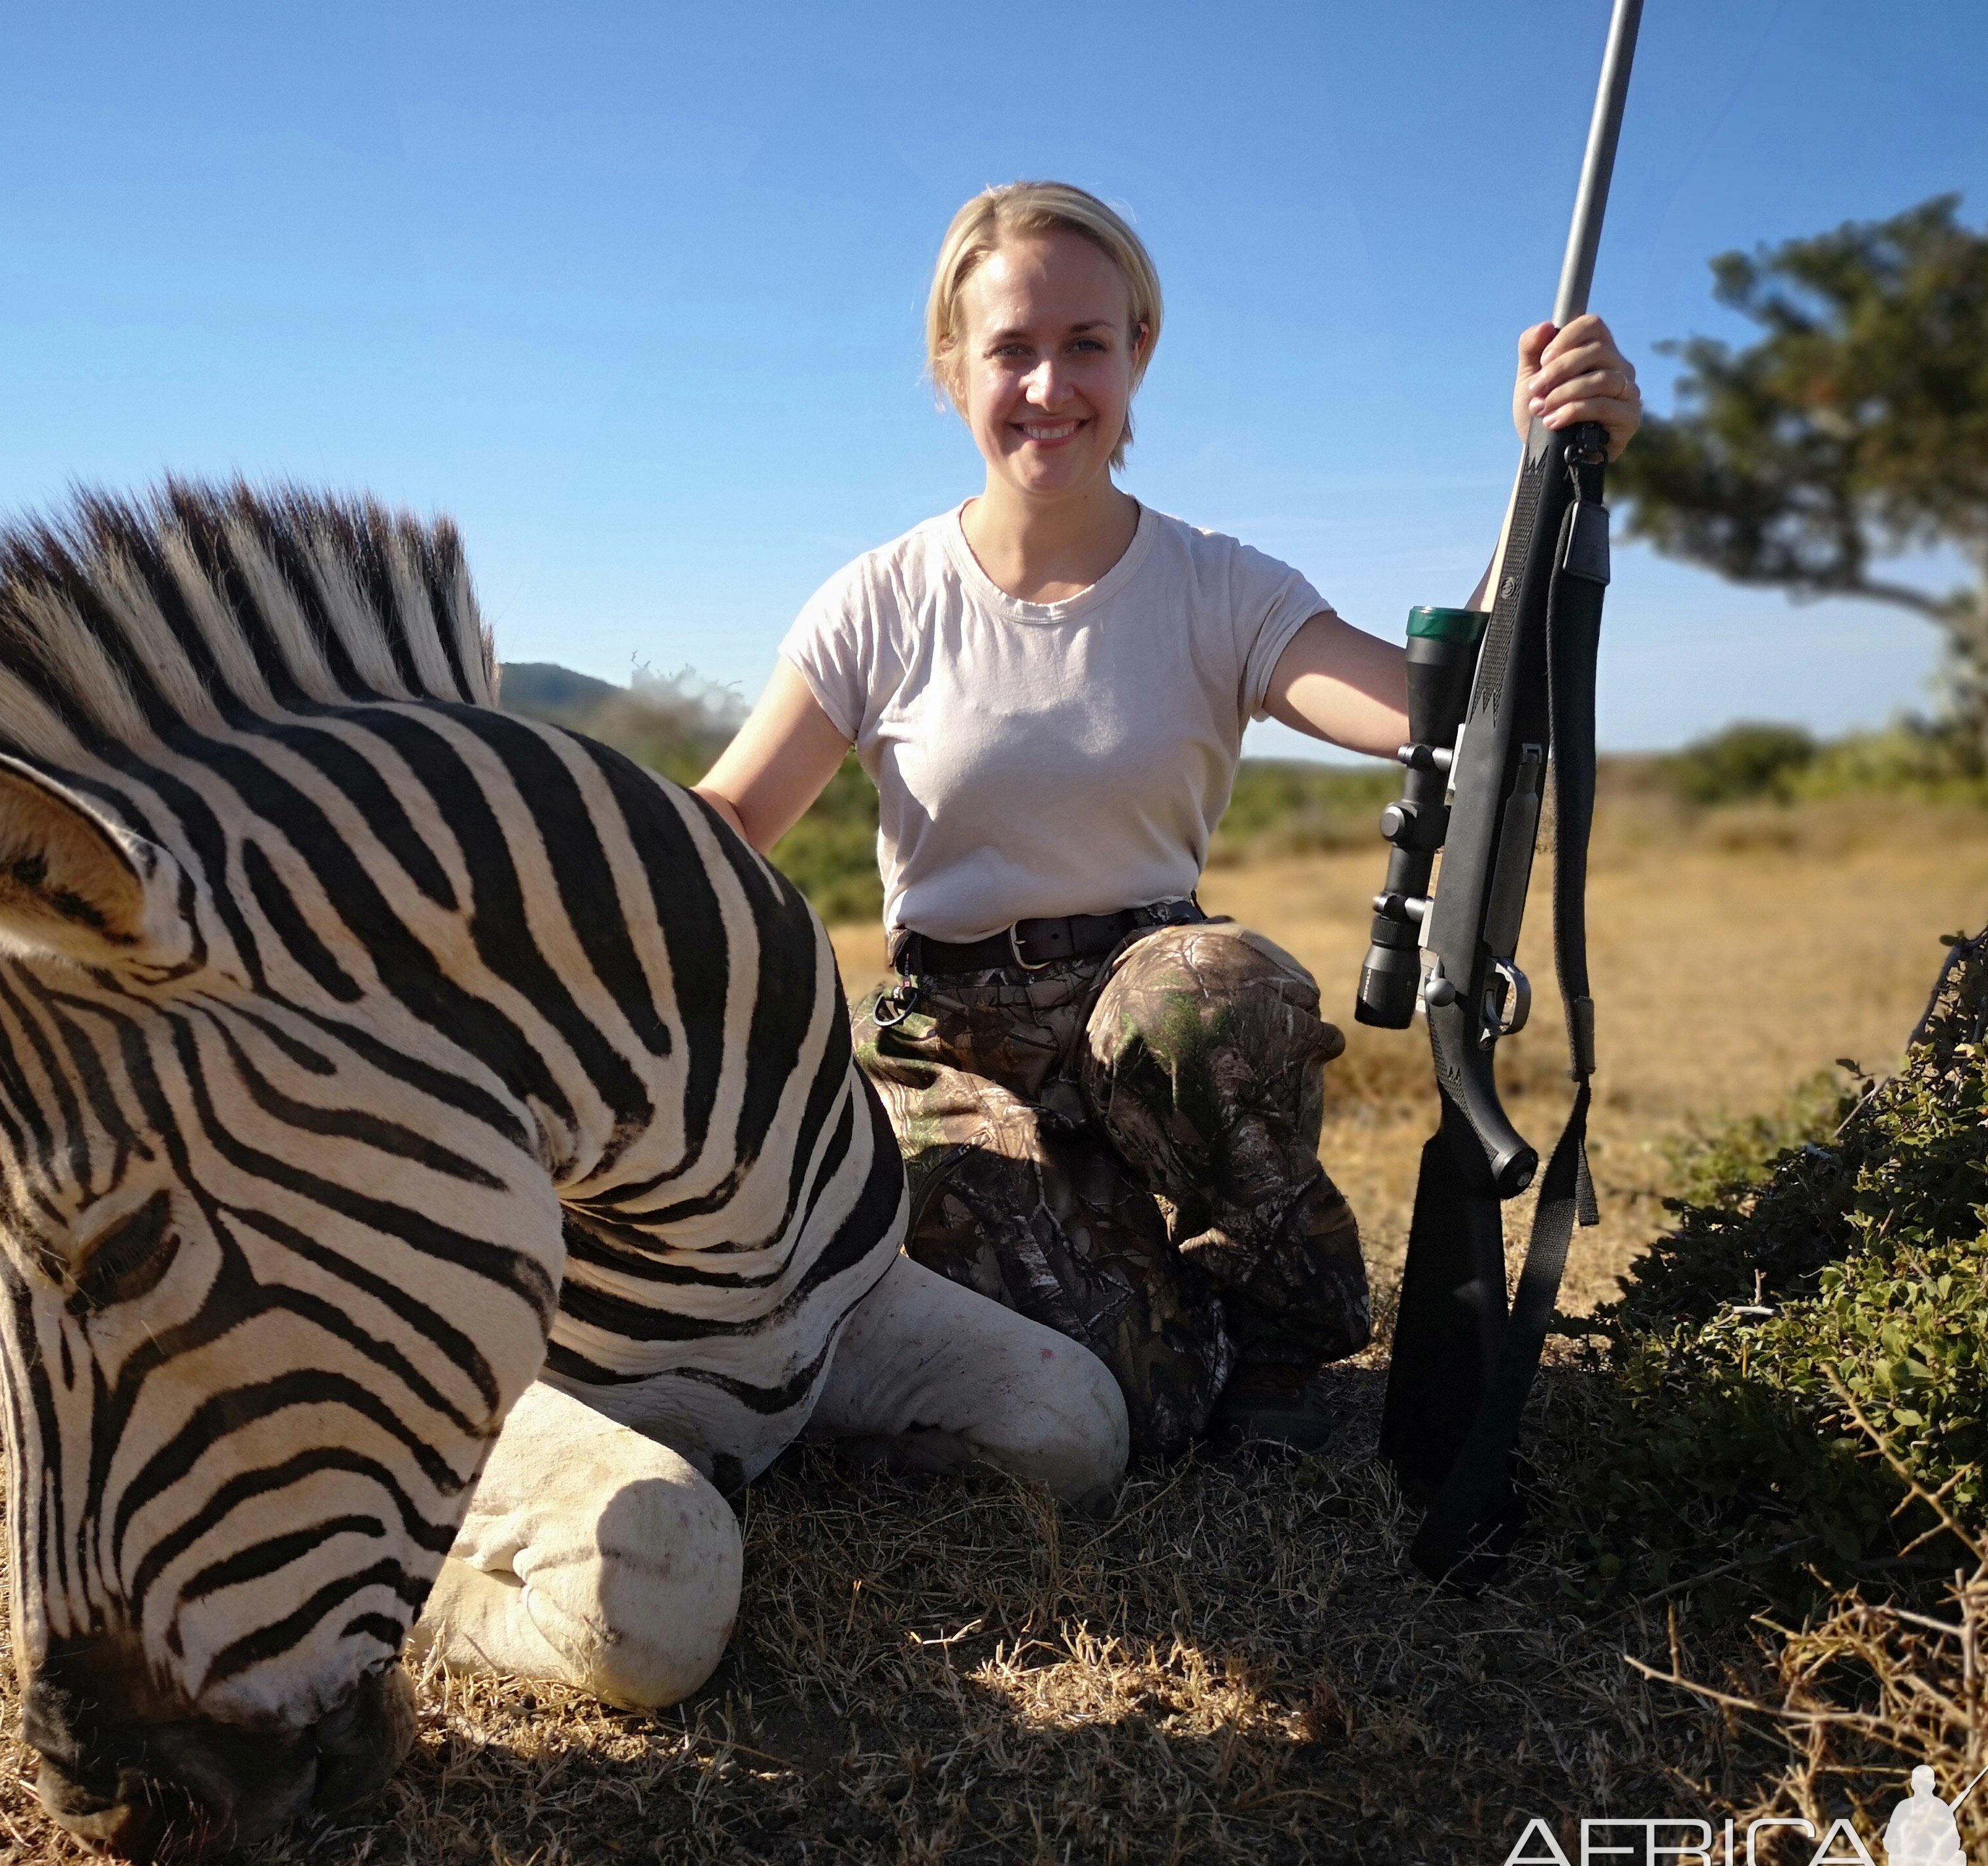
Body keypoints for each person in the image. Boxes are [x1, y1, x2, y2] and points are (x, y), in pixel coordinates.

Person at [695, 180, 1640, 1459]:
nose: (1048, 386)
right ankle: (1146, 1298)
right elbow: (722, 824)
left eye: (1085, 343)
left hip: (1150, 1004)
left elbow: (1448, 713)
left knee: (1211, 988)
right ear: (948, 369)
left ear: (1137, 352)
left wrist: (1547, 470)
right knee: (1104, 1409)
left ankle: (1286, 1323)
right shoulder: (876, 602)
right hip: (956, 1043)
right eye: (1010, 350)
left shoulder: (1219, 586)